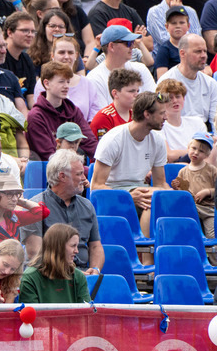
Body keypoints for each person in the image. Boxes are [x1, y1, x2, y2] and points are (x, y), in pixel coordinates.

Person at [91, 91, 170, 233]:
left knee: (163, 198)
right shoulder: (113, 139)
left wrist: (175, 195)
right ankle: (145, 250)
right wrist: (127, 196)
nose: (166, 117)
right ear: (147, 114)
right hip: (113, 195)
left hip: (143, 192)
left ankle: (148, 248)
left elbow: (160, 183)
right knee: (153, 198)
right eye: (162, 113)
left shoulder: (157, 141)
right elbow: (96, 186)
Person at [21, 149, 103, 271]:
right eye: (79, 174)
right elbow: (34, 253)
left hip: (82, 276)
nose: (84, 178)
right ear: (62, 176)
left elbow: (96, 246)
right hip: (47, 275)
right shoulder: (35, 207)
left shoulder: (87, 206)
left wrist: (95, 270)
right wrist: (70, 274)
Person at [26, 61, 97, 161]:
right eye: (61, 81)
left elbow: (90, 144)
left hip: (76, 169)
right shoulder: (36, 116)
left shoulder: (73, 111)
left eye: (68, 82)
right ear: (47, 83)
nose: (66, 86)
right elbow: (50, 156)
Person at [0, 171, 49, 260]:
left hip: (8, 269)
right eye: (10, 194)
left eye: (17, 194)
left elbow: (42, 212)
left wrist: (20, 201)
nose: (14, 198)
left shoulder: (12, 217)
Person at [18, 223, 90, 303]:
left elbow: (87, 313)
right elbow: (31, 314)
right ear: (59, 247)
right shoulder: (30, 277)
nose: (77, 251)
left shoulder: (78, 277)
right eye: (73, 246)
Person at [85, 24, 156, 100]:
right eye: (128, 43)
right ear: (111, 46)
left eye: (132, 42)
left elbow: (155, 100)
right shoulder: (94, 78)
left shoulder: (141, 68)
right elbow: (102, 111)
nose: (132, 46)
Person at [163, 34, 217, 125]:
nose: (204, 56)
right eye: (198, 52)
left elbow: (214, 121)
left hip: (205, 134)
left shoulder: (211, 83)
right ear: (182, 53)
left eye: (205, 51)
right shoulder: (165, 83)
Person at [171, 132, 217, 237]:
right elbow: (183, 192)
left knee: (212, 236)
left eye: (201, 151)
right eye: (193, 148)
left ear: (207, 155)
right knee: (186, 231)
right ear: (188, 148)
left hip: (209, 209)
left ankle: (213, 253)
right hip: (191, 207)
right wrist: (176, 187)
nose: (196, 153)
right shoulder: (182, 172)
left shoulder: (212, 170)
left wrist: (208, 191)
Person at [155, 5, 191, 76]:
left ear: (188, 26)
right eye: (173, 23)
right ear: (167, 27)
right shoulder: (164, 50)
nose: (178, 26)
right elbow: (162, 79)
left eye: (181, 22)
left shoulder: (193, 47)